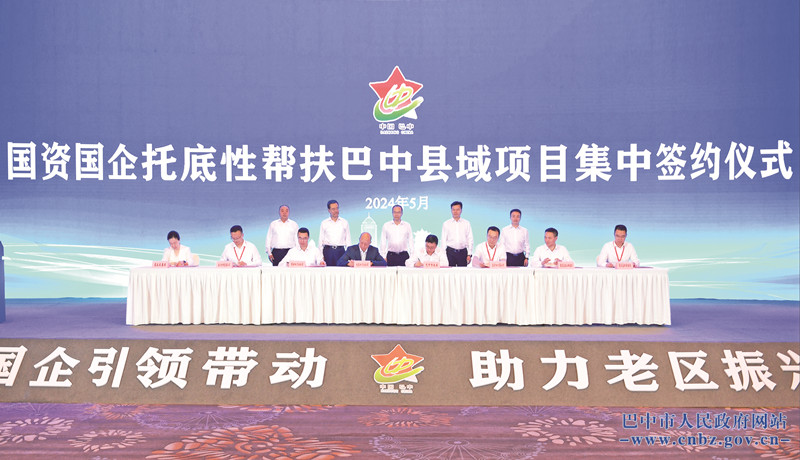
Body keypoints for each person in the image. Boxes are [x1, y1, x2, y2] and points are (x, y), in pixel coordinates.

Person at [319, 199, 351, 266]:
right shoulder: (324, 223)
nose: (336, 211)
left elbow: (348, 240)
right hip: (328, 251)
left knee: (341, 271)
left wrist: (349, 256)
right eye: (333, 209)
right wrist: (321, 257)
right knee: (328, 271)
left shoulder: (344, 222)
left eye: (337, 208)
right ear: (329, 210)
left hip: (340, 251)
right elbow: (320, 241)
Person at [441, 201, 473, 267]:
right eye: (453, 210)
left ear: (461, 210)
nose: (455, 212)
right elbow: (443, 240)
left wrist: (469, 254)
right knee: (449, 272)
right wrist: (443, 255)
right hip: (450, 252)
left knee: (462, 272)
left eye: (457, 209)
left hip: (463, 252)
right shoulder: (446, 223)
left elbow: (470, 239)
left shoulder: (466, 223)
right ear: (451, 210)